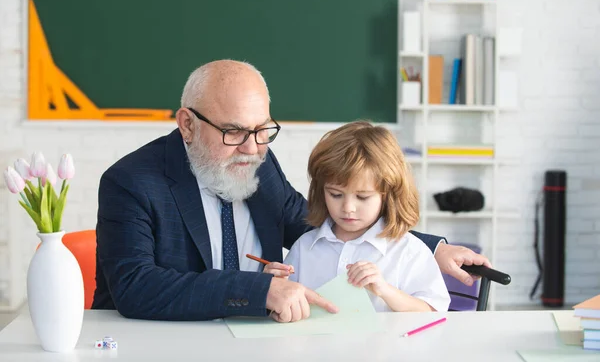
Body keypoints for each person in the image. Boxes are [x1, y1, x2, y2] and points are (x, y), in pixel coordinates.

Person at [92, 59, 489, 322]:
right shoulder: (130, 182)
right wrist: (259, 289)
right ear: (187, 124)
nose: (252, 148)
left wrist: (429, 247)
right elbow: (136, 287)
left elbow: (322, 224)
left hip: (260, 342)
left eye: (263, 130)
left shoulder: (258, 161)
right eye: (234, 132)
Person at [264, 121, 450, 312]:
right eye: (335, 195)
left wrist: (385, 290)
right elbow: (284, 310)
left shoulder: (408, 251)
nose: (348, 208)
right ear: (321, 192)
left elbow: (433, 312)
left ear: (388, 194)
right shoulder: (304, 247)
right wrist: (273, 289)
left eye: (362, 197)